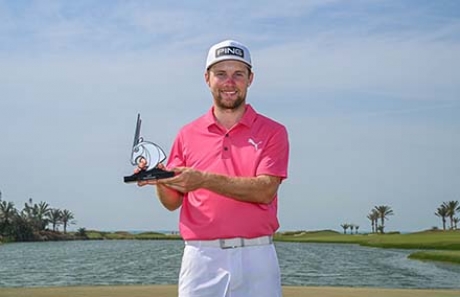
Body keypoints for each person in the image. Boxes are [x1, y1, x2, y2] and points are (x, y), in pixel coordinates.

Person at [137, 39, 290, 297]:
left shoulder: (273, 132)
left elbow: (265, 190)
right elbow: (172, 202)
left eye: (238, 74)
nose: (229, 82)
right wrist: (161, 177)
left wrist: (203, 180)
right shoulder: (187, 134)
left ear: (250, 79)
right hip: (201, 259)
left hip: (258, 257)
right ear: (207, 79)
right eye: (221, 74)